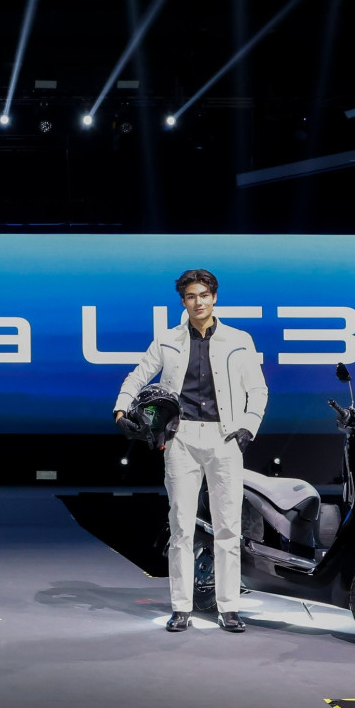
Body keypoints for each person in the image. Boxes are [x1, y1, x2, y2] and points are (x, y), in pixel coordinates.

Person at [114, 269, 267, 633]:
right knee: (181, 526)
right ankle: (181, 607)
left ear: (214, 297)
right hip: (180, 438)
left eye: (204, 295)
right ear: (183, 302)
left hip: (225, 437)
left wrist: (248, 427)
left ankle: (229, 607)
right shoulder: (168, 340)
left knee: (228, 527)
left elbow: (258, 390)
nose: (198, 302)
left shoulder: (239, 340)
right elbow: (138, 375)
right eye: (191, 297)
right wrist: (120, 409)